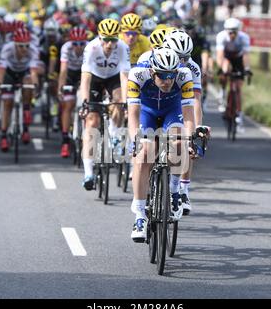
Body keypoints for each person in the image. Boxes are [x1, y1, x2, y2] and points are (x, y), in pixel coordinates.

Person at [127, 47, 197, 242]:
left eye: (171, 75)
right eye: (162, 75)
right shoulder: (137, 74)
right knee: (145, 152)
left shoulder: (184, 75)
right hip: (146, 112)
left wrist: (190, 139)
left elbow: (189, 115)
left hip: (171, 111)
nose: (167, 80)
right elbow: (132, 114)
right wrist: (135, 140)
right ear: (152, 71)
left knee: (180, 141)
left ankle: (174, 191)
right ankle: (140, 215)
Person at [79, 18, 130, 190]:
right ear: (99, 38)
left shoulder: (123, 47)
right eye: (106, 39)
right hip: (95, 78)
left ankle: (115, 135)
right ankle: (88, 173)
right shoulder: (91, 48)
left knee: (119, 101)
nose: (109, 44)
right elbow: (85, 78)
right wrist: (85, 103)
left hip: (113, 78)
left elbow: (124, 78)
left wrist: (125, 102)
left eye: (113, 39)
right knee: (92, 123)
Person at [163, 29, 210, 215]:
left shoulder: (192, 68)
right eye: (178, 57)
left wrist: (197, 126)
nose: (182, 62)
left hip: (180, 103)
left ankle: (183, 190)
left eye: (186, 57)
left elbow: (195, 100)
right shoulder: (157, 60)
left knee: (187, 142)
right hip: (158, 102)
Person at [0, 27, 40, 152]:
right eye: (21, 46)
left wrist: (35, 86)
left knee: (28, 83)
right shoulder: (7, 49)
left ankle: (26, 122)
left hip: (24, 73)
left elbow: (33, 72)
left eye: (26, 46)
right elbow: (1, 69)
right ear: (15, 44)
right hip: (9, 73)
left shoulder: (33, 50)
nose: (24, 49)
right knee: (7, 104)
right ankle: (4, 136)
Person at [215, 17, 252, 133]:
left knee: (239, 86)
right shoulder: (221, 36)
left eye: (234, 31)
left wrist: (246, 69)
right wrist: (221, 70)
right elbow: (220, 55)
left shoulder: (244, 37)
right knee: (224, 69)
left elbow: (245, 55)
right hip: (226, 57)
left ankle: (239, 115)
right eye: (230, 31)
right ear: (226, 31)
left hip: (238, 59)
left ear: (238, 31)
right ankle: (222, 92)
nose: (232, 34)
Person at [57, 26, 88, 158]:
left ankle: (86, 137)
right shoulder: (66, 48)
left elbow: (90, 71)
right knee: (68, 105)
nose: (78, 46)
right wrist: (60, 87)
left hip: (84, 73)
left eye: (81, 43)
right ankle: (65, 140)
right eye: (75, 43)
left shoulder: (89, 48)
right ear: (71, 43)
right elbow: (63, 70)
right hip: (69, 74)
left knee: (86, 104)